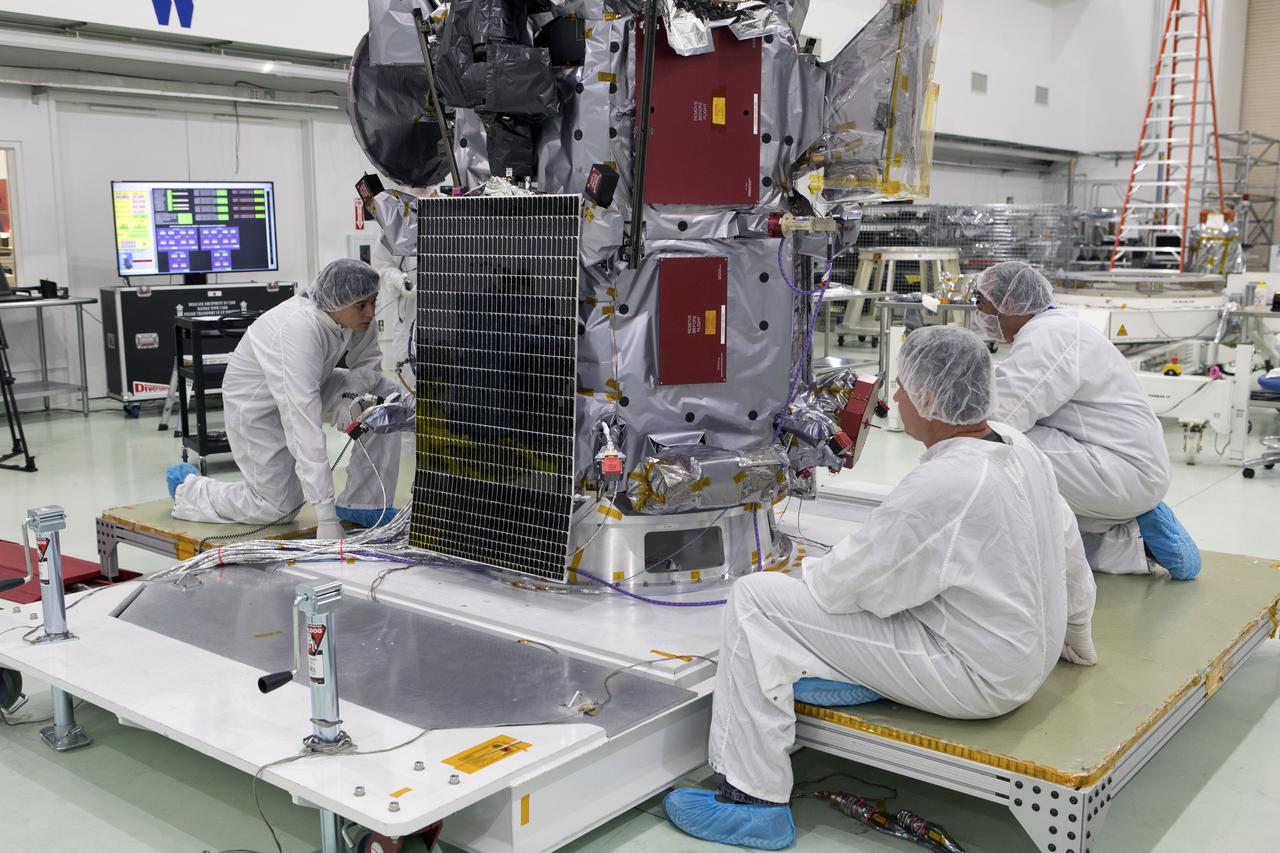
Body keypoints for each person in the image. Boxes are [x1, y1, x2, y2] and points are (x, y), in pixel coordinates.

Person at [664, 326, 1097, 850]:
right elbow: (1067, 537)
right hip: (1031, 652)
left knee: (757, 602)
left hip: (978, 676)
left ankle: (755, 801)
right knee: (876, 586)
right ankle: (856, 674)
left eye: (905, 389)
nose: (894, 399)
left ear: (932, 400)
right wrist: (1076, 628)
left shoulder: (948, 483)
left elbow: (843, 587)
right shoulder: (1017, 444)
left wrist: (811, 571)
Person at [973, 261, 1200, 579]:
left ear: (1009, 303)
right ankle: (1138, 539)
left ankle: (1126, 521)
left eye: (980, 303)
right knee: (1052, 533)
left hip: (1122, 471)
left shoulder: (1049, 336)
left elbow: (1002, 415)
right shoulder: (1057, 327)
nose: (979, 314)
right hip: (1120, 465)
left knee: (996, 445)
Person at [166, 259, 402, 539]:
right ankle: (190, 488)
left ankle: (364, 502)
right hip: (255, 405)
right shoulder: (298, 329)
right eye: (362, 305)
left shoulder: (355, 318)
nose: (370, 312)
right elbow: (303, 424)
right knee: (278, 509)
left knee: (384, 398)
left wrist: (351, 398)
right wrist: (325, 516)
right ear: (337, 302)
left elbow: (368, 365)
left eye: (373, 302)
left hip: (309, 384)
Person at [370, 235, 417, 377]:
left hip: (462, 322)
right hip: (411, 322)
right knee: (412, 386)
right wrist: (397, 279)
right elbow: (382, 264)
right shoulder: (401, 227)